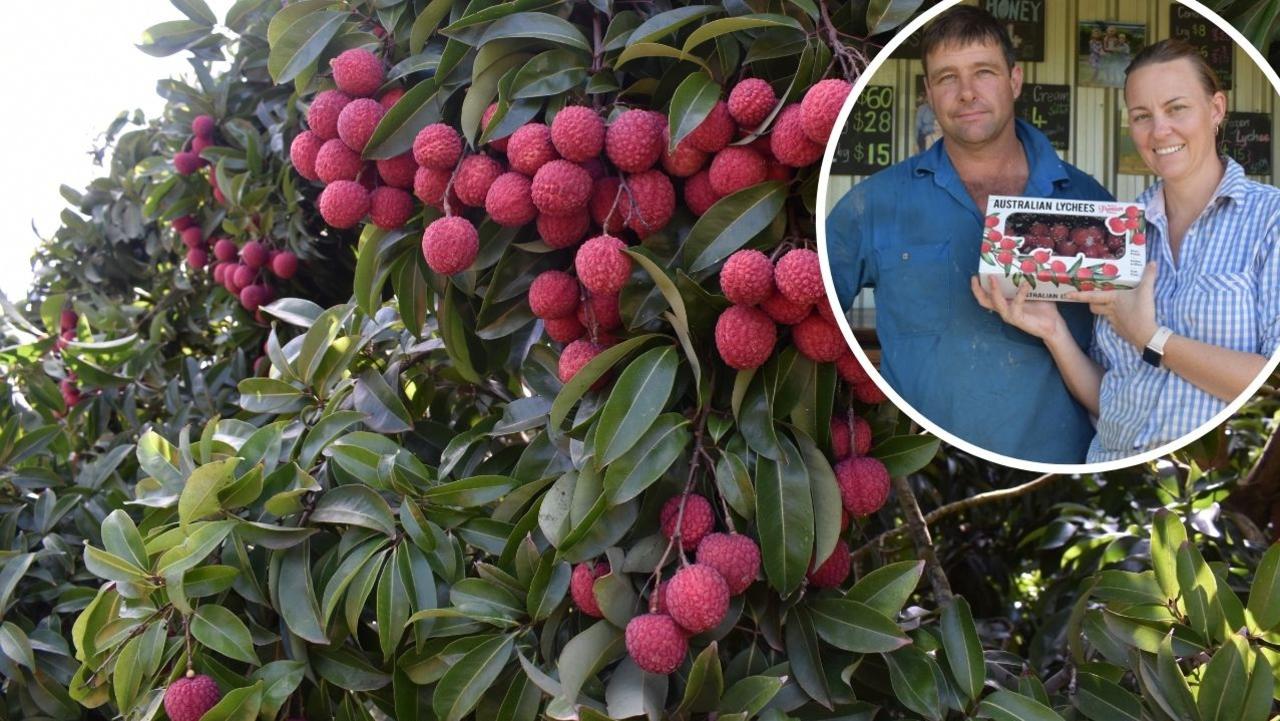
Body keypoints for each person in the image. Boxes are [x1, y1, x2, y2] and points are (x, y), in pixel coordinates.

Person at [826, 5, 1113, 463]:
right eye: (947, 78)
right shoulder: (875, 204)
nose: (966, 93)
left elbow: (1128, 360)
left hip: (1058, 465)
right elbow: (810, 317)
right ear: (929, 93)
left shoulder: (1090, 203)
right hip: (920, 466)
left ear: (1014, 80)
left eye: (984, 72)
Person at [972, 39, 1280, 463]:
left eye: (1176, 108)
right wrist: (1054, 333)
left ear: (1216, 109)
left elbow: (1270, 386)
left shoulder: (1270, 220)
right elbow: (1113, 396)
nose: (1159, 131)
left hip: (1211, 485)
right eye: (1142, 116)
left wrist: (1151, 338)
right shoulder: (1117, 230)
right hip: (1111, 468)